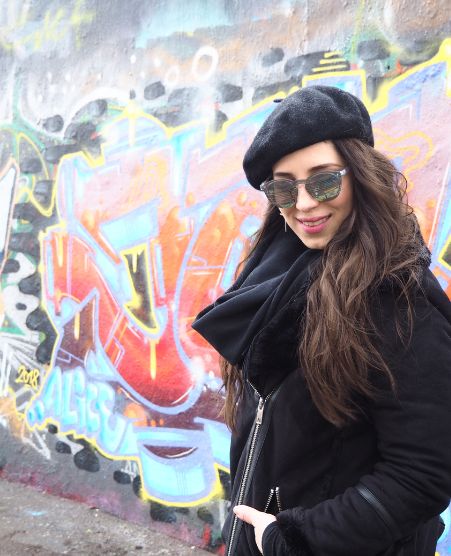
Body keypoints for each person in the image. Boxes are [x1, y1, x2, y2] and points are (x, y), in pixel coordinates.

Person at [191, 86, 451, 556]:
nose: (305, 203)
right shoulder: (276, 282)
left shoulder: (397, 300)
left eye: (324, 181)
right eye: (283, 186)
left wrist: (292, 539)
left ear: (362, 176)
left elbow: (422, 474)